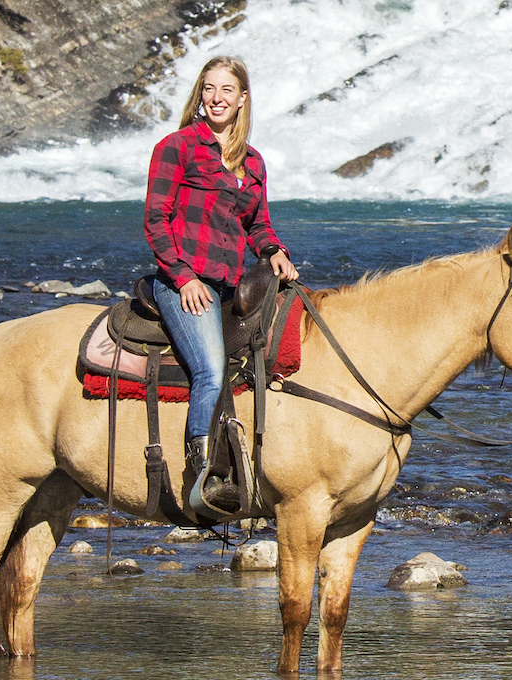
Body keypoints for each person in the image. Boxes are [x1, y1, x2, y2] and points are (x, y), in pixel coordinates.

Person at [143, 55, 299, 514]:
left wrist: (274, 252)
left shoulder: (252, 162)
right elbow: (156, 221)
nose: (217, 98)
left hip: (230, 287)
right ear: (199, 94)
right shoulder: (177, 147)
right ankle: (204, 474)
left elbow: (258, 225)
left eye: (227, 90)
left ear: (242, 99)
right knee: (212, 369)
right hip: (183, 281)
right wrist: (182, 275)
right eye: (209, 88)